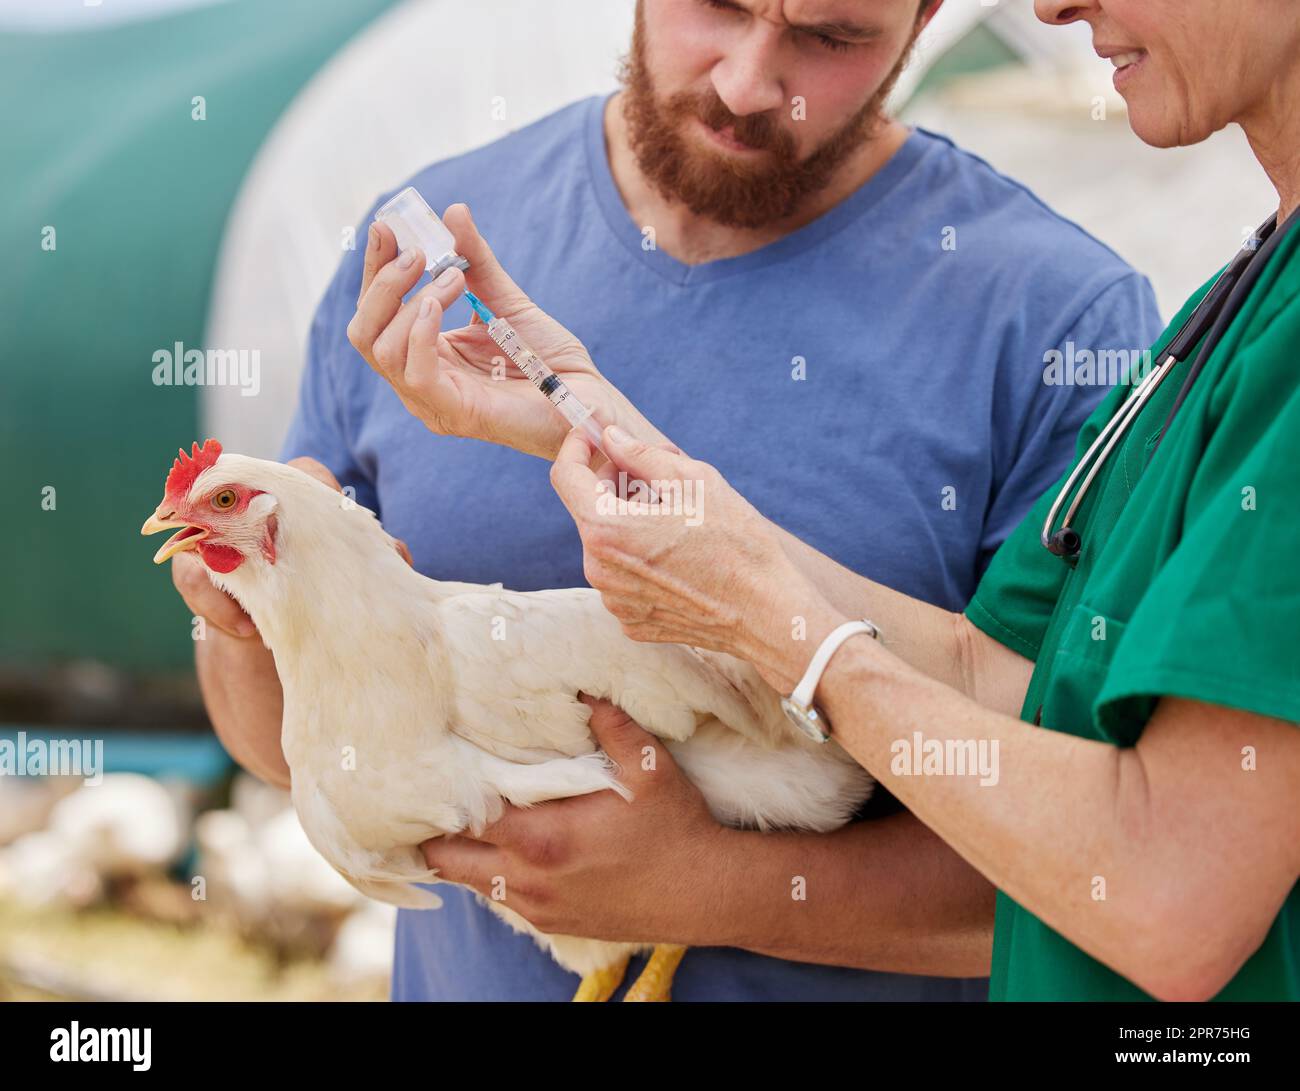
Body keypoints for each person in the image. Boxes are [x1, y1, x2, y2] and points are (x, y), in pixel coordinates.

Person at [175, 0, 1161, 1000]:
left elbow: (1116, 865)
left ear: (929, 13)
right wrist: (250, 614)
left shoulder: (1060, 325)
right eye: (719, 5)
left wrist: (718, 889)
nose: (744, 81)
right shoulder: (424, 264)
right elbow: (284, 752)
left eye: (830, 35)